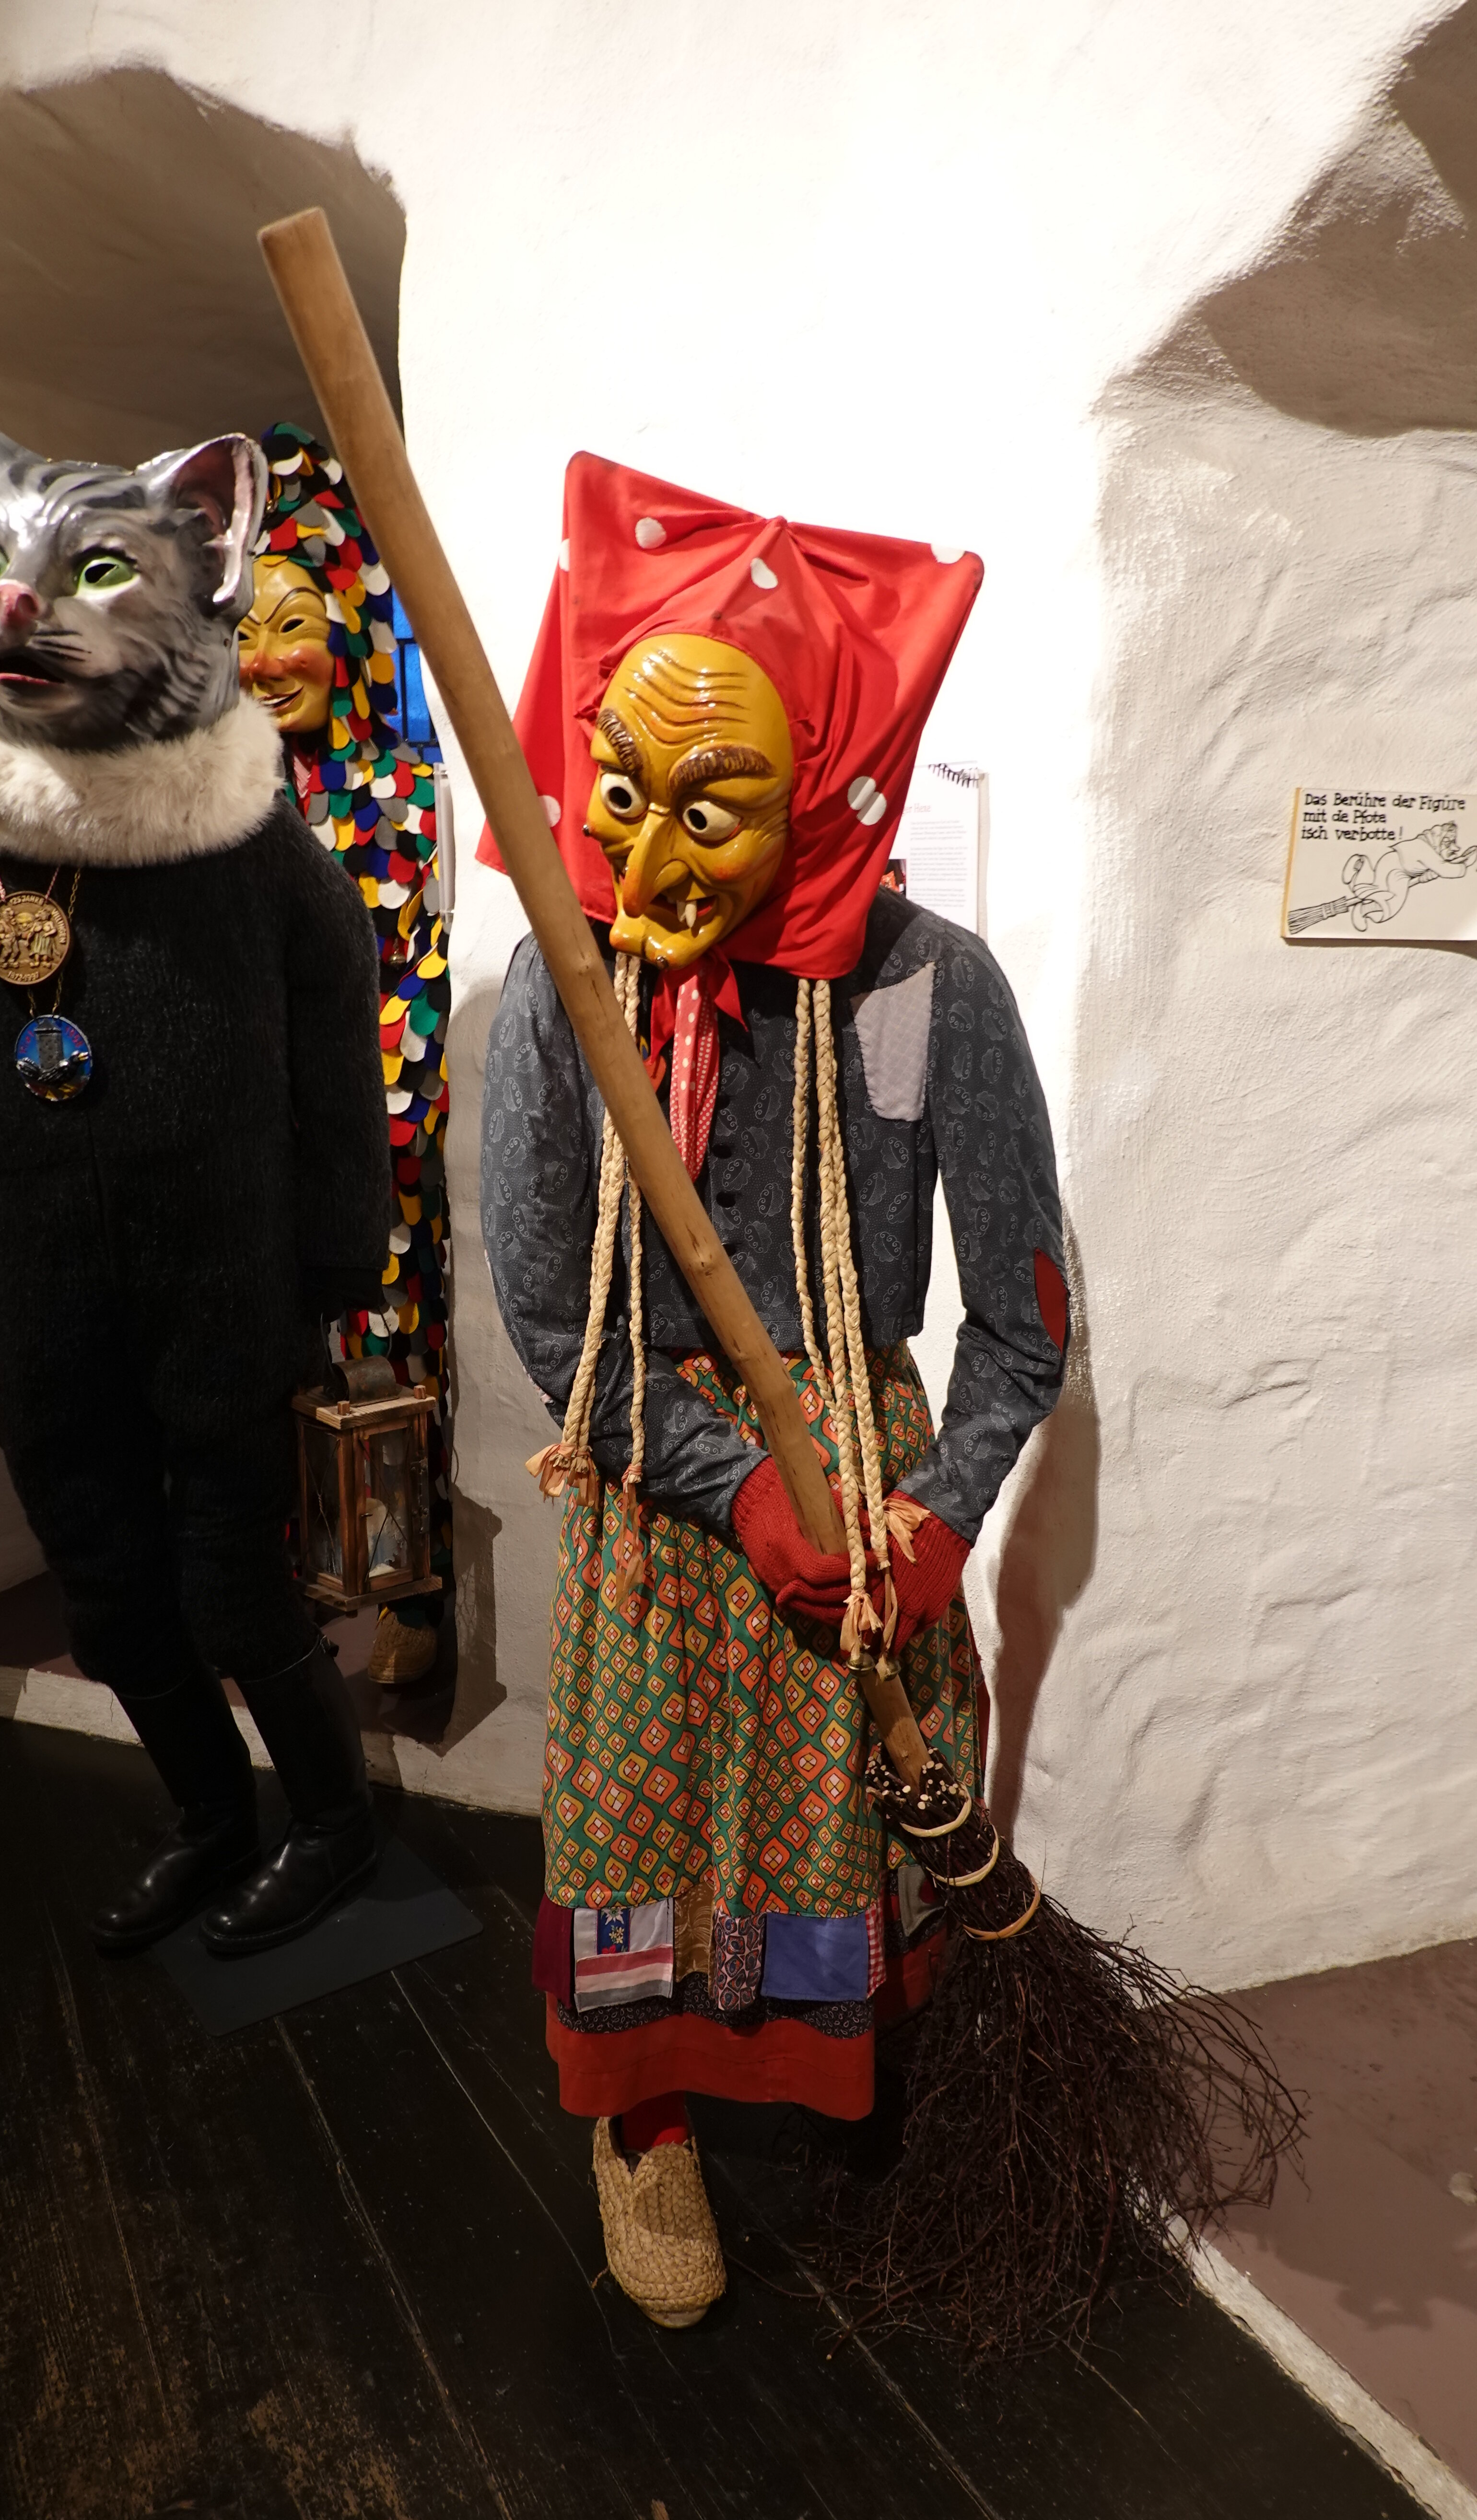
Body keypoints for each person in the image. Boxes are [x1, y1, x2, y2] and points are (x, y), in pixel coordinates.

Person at [481, 455, 1067, 2325]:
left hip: (868, 1509)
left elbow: (1024, 1321)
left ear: (817, 788)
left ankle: (839, 2068)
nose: (652, 856)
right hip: (664, 1509)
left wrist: (942, 1517)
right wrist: (728, 1481)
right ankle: (641, 2118)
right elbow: (546, 1308)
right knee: (641, 1825)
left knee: (839, 1824)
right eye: (624, 789)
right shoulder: (562, 990)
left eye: (715, 803)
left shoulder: (926, 991)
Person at [0, 424, 390, 1958]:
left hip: (225, 1285)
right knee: (105, 1583)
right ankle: (210, 1817)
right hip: (39, 1284)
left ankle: (336, 1826)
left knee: (237, 1584)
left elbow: (338, 1071)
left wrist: (337, 1263)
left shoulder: (259, 851)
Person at [238, 424, 454, 1689]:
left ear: (355, 631)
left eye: (295, 624)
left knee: (389, 1354)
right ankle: (276, 1585)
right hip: (247, 1141)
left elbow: (411, 979)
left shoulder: (404, 796)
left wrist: (368, 1137)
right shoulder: (221, 803)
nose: (267, 659)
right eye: (244, 630)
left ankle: (412, 1592)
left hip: (375, 1139)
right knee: (260, 1365)